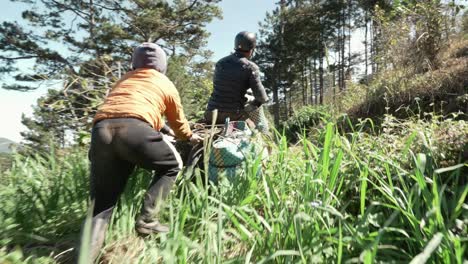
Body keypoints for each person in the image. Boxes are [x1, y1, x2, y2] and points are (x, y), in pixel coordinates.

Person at [85, 42, 202, 261]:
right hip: (134, 130)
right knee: (172, 165)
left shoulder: (124, 80)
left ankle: (85, 258)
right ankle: (148, 221)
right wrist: (188, 136)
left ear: (135, 63)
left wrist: (161, 128)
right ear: (162, 65)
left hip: (101, 131)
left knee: (101, 205)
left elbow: (134, 109)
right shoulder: (163, 82)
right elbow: (178, 123)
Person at [204, 31, 269, 125]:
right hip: (234, 115)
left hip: (211, 113)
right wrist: (255, 103)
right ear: (252, 49)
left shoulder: (220, 63)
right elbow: (262, 97)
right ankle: (263, 135)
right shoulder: (250, 67)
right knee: (256, 130)